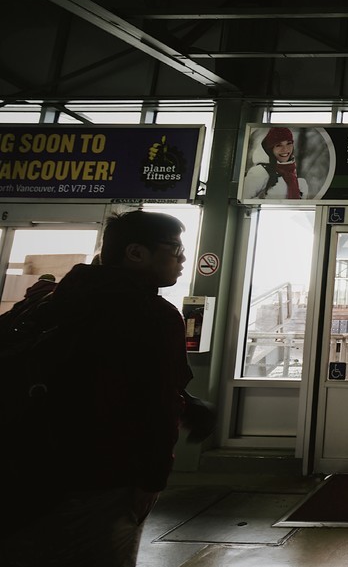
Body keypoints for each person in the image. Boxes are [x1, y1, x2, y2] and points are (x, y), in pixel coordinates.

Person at [5, 210, 212, 567]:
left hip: (28, 473)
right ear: (136, 253)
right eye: (175, 249)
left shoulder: (54, 299)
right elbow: (157, 405)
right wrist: (152, 479)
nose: (182, 259)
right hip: (105, 477)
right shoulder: (153, 314)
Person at [244, 126, 309, 199]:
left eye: (288, 143)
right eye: (279, 145)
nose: (285, 149)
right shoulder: (259, 172)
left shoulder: (295, 178)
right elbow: (243, 201)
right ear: (270, 149)